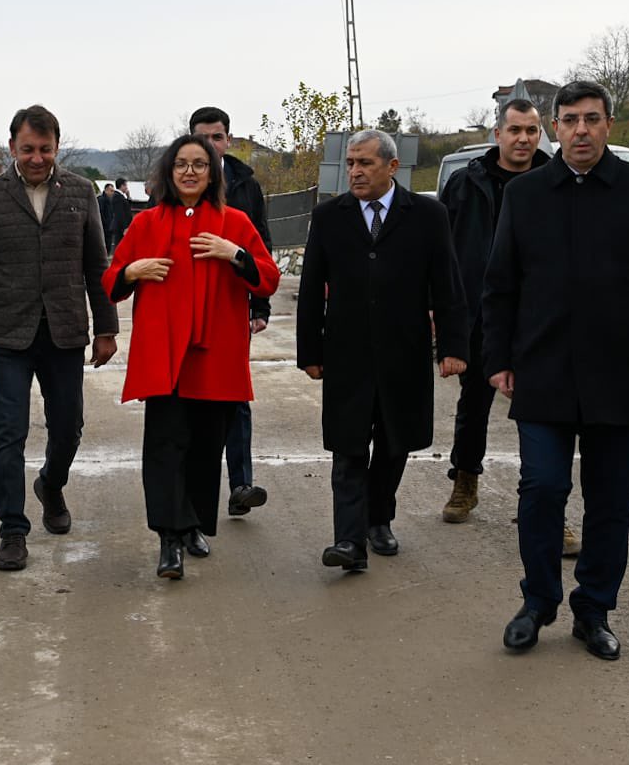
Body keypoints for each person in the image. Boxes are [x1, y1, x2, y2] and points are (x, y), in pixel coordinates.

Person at [483, 81, 629, 661]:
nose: (582, 130)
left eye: (593, 120)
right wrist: (497, 358)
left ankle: (594, 608)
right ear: (556, 128)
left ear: (609, 126)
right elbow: (501, 284)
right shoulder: (526, 196)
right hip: (544, 369)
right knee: (542, 487)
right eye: (571, 120)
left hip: (619, 371)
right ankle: (538, 602)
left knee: (610, 501)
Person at [104, 135, 279, 581]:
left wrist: (235, 254)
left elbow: (268, 280)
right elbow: (110, 281)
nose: (189, 172)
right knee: (165, 446)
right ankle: (169, 538)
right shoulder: (145, 224)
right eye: (181, 164)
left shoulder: (235, 222)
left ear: (212, 172)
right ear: (169, 171)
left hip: (215, 356)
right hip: (164, 356)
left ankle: (194, 524)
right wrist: (131, 271)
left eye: (199, 164)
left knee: (205, 448)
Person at [0, 105, 120, 571]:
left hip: (66, 332)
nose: (36, 158)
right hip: (9, 334)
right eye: (27, 149)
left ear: (57, 148)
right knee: (9, 433)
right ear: (12, 147)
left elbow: (96, 265)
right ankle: (12, 530)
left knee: (68, 427)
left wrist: (106, 327)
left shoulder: (81, 191)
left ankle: (50, 483)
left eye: (45, 149)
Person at [298, 129, 466, 573]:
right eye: (351, 162)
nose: (355, 171)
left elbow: (447, 285)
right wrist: (309, 350)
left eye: (366, 163)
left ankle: (379, 520)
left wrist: (453, 345)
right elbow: (312, 288)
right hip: (346, 354)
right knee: (349, 446)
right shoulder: (330, 217)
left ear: (392, 167)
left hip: (404, 352)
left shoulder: (428, 215)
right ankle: (348, 541)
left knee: (395, 444)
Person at [437, 97, 548, 528]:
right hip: (481, 314)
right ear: (497, 134)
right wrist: (442, 311)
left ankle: (542, 504)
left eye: (532, 131)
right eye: (515, 130)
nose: (523, 138)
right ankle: (465, 482)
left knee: (542, 411)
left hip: (539, 317)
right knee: (475, 404)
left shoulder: (554, 182)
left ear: (541, 135)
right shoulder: (466, 184)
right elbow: (442, 254)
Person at [189, 106, 275, 519]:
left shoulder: (246, 186)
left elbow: (263, 246)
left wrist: (260, 305)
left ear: (228, 140)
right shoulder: (174, 185)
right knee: (188, 401)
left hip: (232, 308)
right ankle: (191, 490)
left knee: (236, 397)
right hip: (187, 313)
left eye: (217, 136)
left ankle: (241, 483)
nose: (210, 144)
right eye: (202, 136)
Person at [100, 178, 134, 252]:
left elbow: (127, 208)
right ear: (122, 186)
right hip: (120, 226)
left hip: (121, 226)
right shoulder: (117, 197)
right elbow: (120, 213)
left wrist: (128, 197)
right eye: (126, 185)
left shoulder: (121, 196)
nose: (126, 188)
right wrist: (125, 227)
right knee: (120, 246)